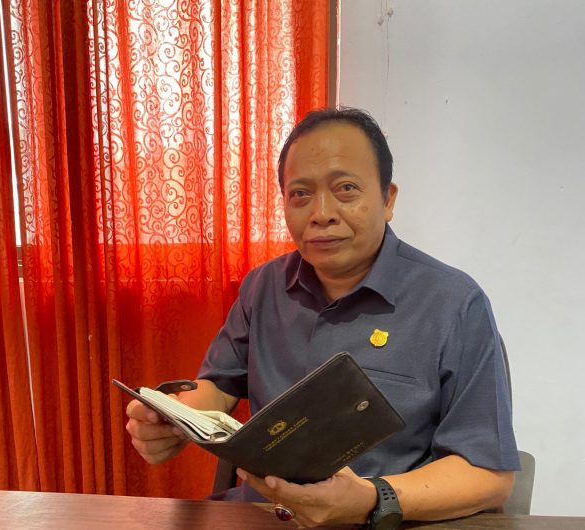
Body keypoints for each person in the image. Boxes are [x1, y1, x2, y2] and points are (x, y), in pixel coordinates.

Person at [125, 107, 519, 528]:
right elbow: (218, 387)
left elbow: (488, 475)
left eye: (346, 189)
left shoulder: (454, 303)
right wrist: (172, 420)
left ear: (387, 199)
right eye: (300, 194)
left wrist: (371, 498)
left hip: (382, 520)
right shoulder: (263, 287)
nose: (321, 213)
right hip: (262, 516)